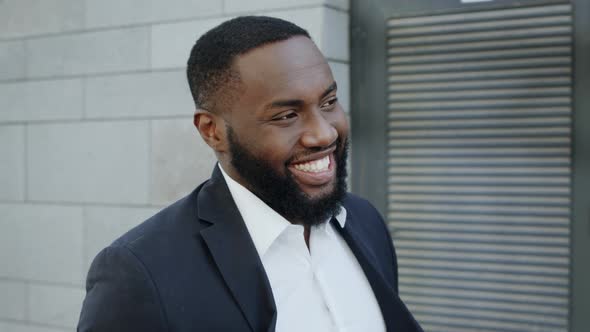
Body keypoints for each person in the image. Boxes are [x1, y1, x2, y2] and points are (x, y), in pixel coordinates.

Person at [78, 16, 422, 332]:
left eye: (328, 102)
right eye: (287, 115)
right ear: (213, 131)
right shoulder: (140, 273)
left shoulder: (365, 221)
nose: (324, 134)